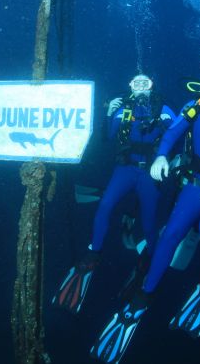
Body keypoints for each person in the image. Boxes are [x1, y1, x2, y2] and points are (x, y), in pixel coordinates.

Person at [90, 55, 200, 363]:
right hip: (195, 183)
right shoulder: (195, 106)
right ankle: (145, 294)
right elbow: (171, 134)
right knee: (169, 236)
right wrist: (161, 156)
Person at [52, 74, 174, 314]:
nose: (141, 87)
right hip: (125, 169)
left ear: (152, 86)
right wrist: (108, 113)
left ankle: (150, 256)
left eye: (145, 83)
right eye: (136, 83)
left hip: (149, 172)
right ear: (130, 86)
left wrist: (172, 153)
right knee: (105, 205)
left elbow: (177, 134)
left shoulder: (164, 108)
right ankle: (94, 251)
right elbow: (107, 137)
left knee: (149, 222)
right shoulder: (123, 108)